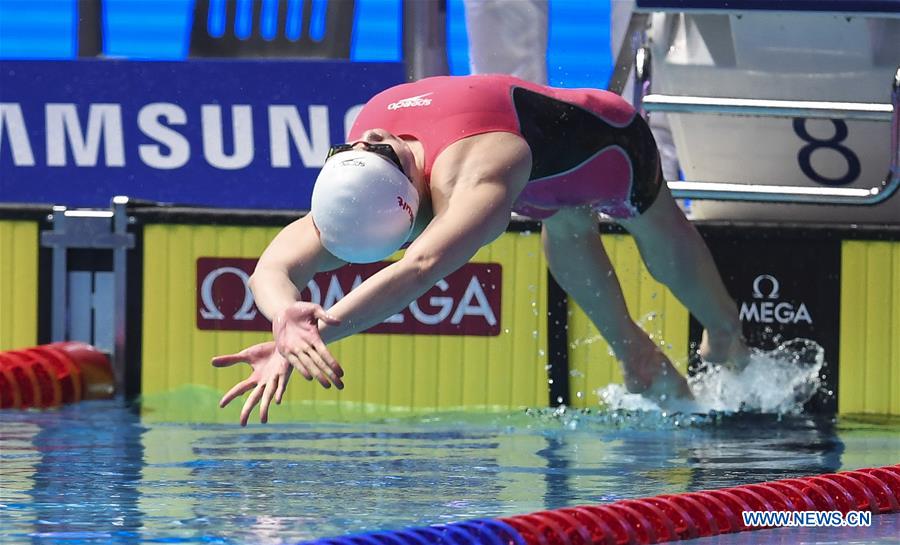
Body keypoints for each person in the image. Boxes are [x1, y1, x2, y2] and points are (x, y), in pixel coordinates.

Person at [212, 74, 749, 425]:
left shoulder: (479, 173)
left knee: (654, 242)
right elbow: (274, 267)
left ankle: (727, 332)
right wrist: (285, 320)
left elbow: (420, 267)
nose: (365, 139)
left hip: (608, 147)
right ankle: (643, 364)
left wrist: (313, 335)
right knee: (572, 240)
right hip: (539, 174)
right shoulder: (360, 175)